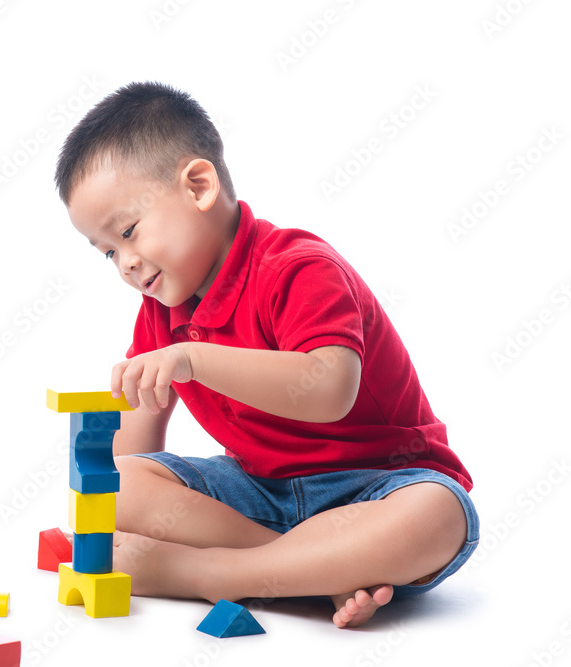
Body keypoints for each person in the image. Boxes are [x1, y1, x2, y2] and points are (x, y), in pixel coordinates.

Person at [54, 81, 478, 628]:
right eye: (109, 252)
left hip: (377, 484)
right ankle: (311, 571)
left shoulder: (298, 268)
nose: (126, 265)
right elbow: (134, 454)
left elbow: (328, 390)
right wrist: (114, 511)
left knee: (440, 515)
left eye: (130, 232)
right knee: (117, 484)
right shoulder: (162, 311)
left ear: (200, 186)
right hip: (258, 495)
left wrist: (192, 359)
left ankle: (214, 575)